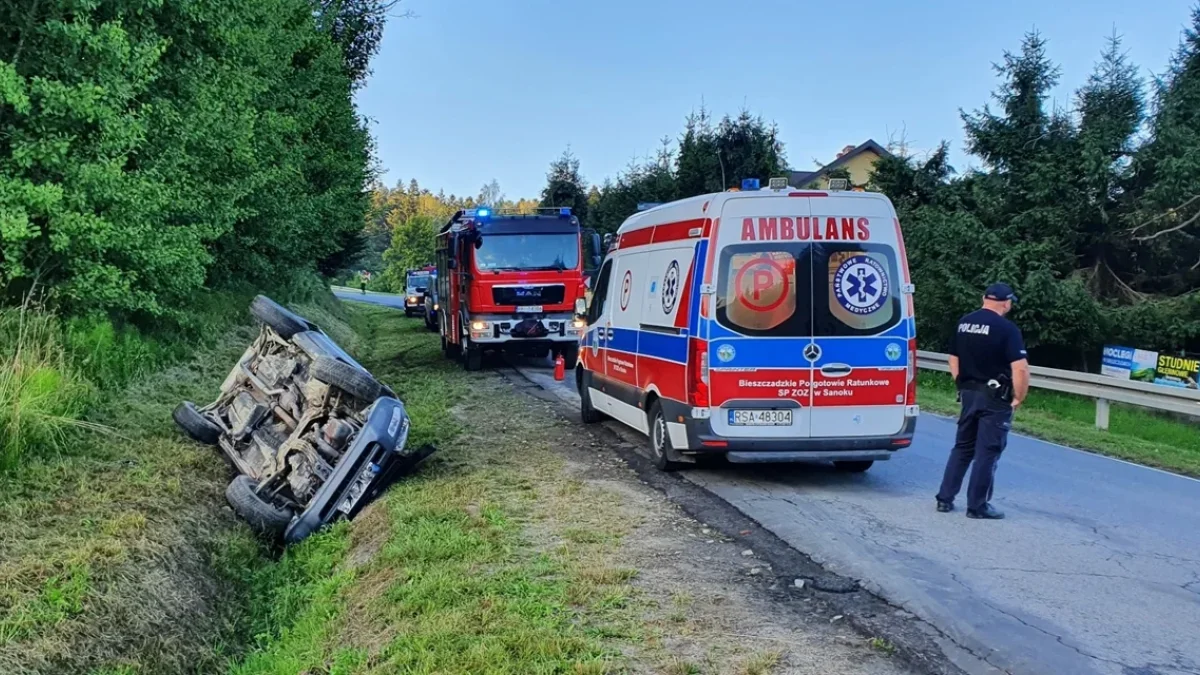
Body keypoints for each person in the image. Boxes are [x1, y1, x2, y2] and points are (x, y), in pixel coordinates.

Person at [935, 283, 1029, 520]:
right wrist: (1019, 396)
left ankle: (945, 499)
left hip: (968, 393)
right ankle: (977, 506)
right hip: (995, 397)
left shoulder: (964, 322)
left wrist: (962, 383)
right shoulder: (1007, 329)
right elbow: (1020, 369)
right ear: (1006, 303)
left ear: (983, 298)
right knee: (988, 451)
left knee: (963, 447)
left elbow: (953, 358)